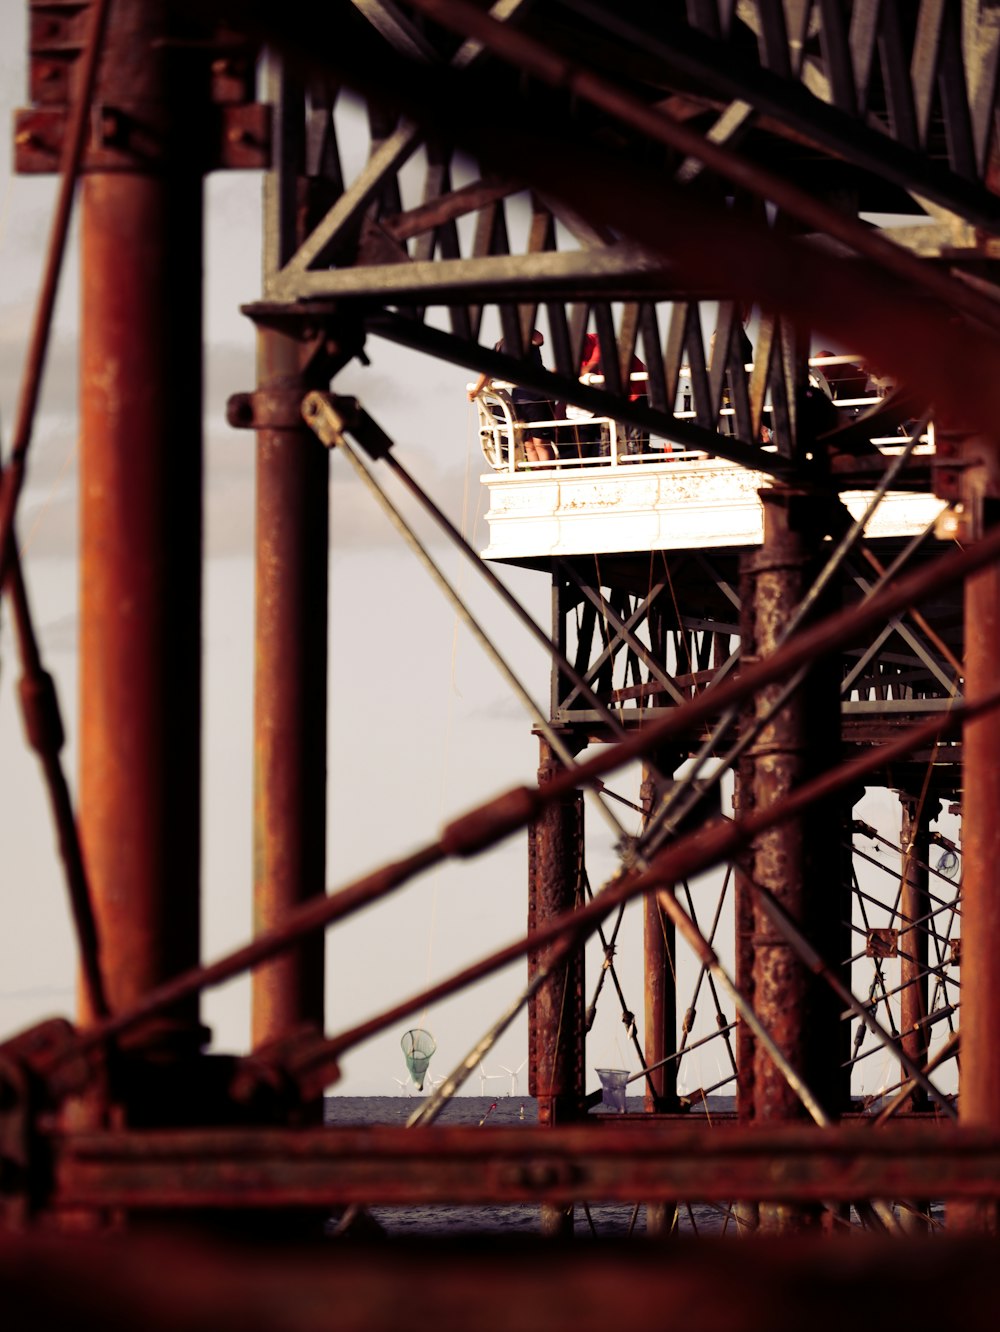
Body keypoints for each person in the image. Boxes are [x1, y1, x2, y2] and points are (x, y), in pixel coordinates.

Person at [468, 330, 556, 464]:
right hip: (520, 400)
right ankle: (536, 476)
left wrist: (527, 326)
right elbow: (487, 370)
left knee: (540, 443)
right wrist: (476, 391)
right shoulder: (501, 345)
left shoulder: (528, 339)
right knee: (529, 444)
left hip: (538, 398)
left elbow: (539, 339)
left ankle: (547, 473)